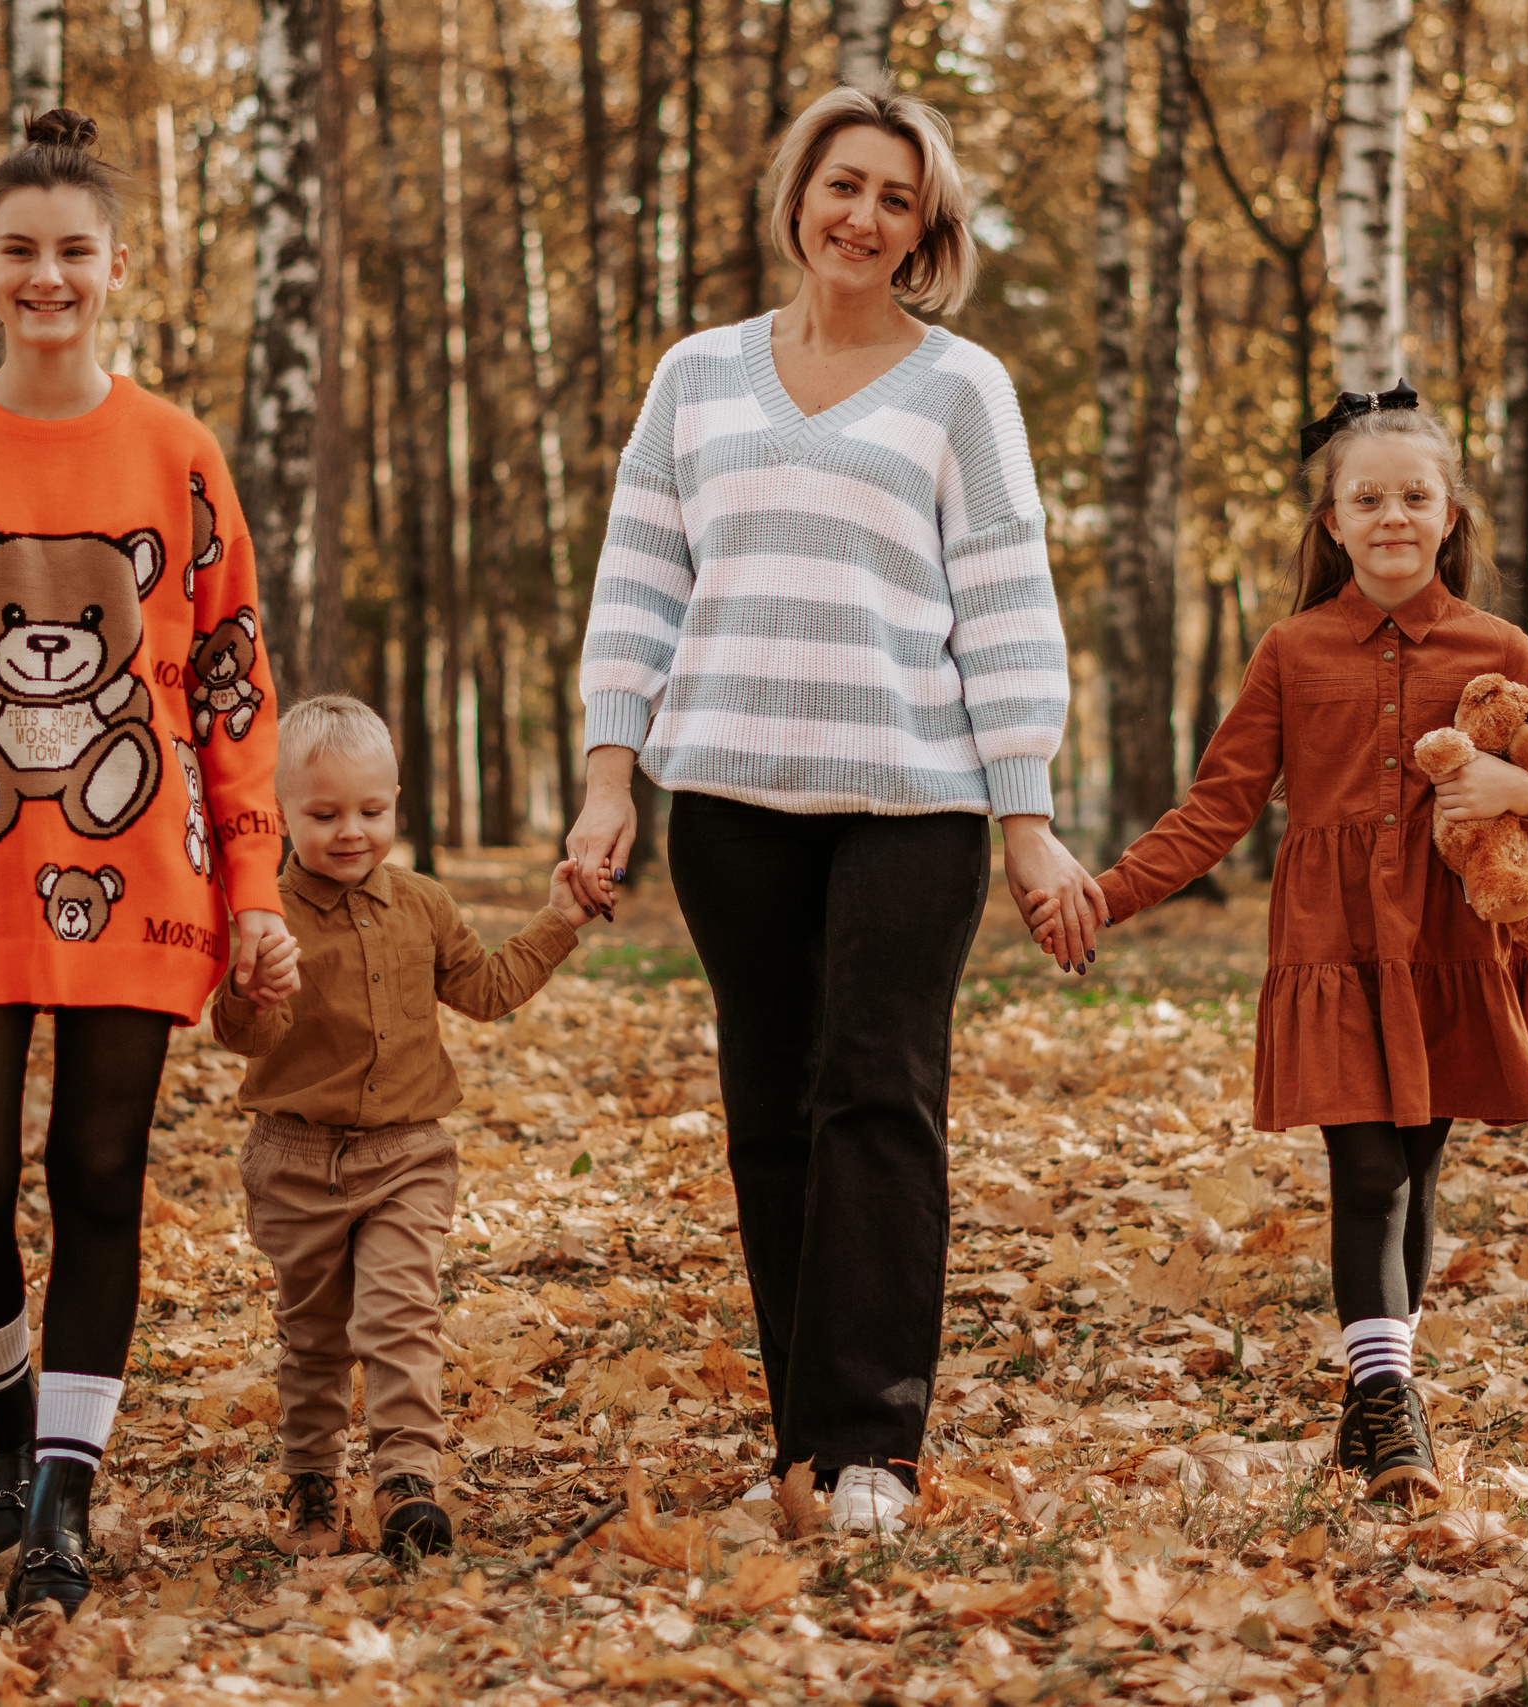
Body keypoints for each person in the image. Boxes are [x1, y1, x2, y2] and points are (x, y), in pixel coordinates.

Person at [565, 87, 1107, 1538]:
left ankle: (878, 1443)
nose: (862, 216)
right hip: (730, 800)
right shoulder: (696, 376)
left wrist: (1029, 812)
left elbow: (1005, 604)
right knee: (771, 1111)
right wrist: (611, 774)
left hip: (912, 800)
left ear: (928, 228)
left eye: (895, 197)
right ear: (798, 191)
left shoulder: (959, 390)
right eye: (842, 184)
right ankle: (801, 1444)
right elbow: (640, 581)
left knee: (879, 1092)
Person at [0, 110, 293, 1614]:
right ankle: (5, 1415)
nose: (47, 276)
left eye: (72, 251)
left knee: (99, 1173)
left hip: (139, 877)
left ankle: (66, 1506)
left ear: (118, 269)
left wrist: (255, 888)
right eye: (18, 251)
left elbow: (231, 683)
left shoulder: (176, 452)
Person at [1032, 384, 1528, 1501]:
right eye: (1364, 498)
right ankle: (1388, 1409)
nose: (1390, 516)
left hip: (1448, 945)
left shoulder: (1496, 642)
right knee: (1365, 1167)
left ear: (1448, 516)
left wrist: (1516, 781)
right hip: (1334, 944)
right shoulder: (1291, 649)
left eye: (1412, 497)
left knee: (1419, 1169)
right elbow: (1217, 806)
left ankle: (1379, 1400)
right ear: (1330, 523)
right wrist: (1108, 893)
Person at [213, 695, 594, 1561]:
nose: (351, 831)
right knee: (313, 1336)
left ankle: (405, 1480)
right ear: (280, 816)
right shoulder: (266, 916)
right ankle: (312, 1476)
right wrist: (252, 988)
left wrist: (561, 920)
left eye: (371, 810)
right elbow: (244, 1038)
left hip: (408, 1154)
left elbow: (488, 989)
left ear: (396, 802)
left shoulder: (421, 904)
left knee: (399, 1317)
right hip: (296, 1159)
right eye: (324, 814)